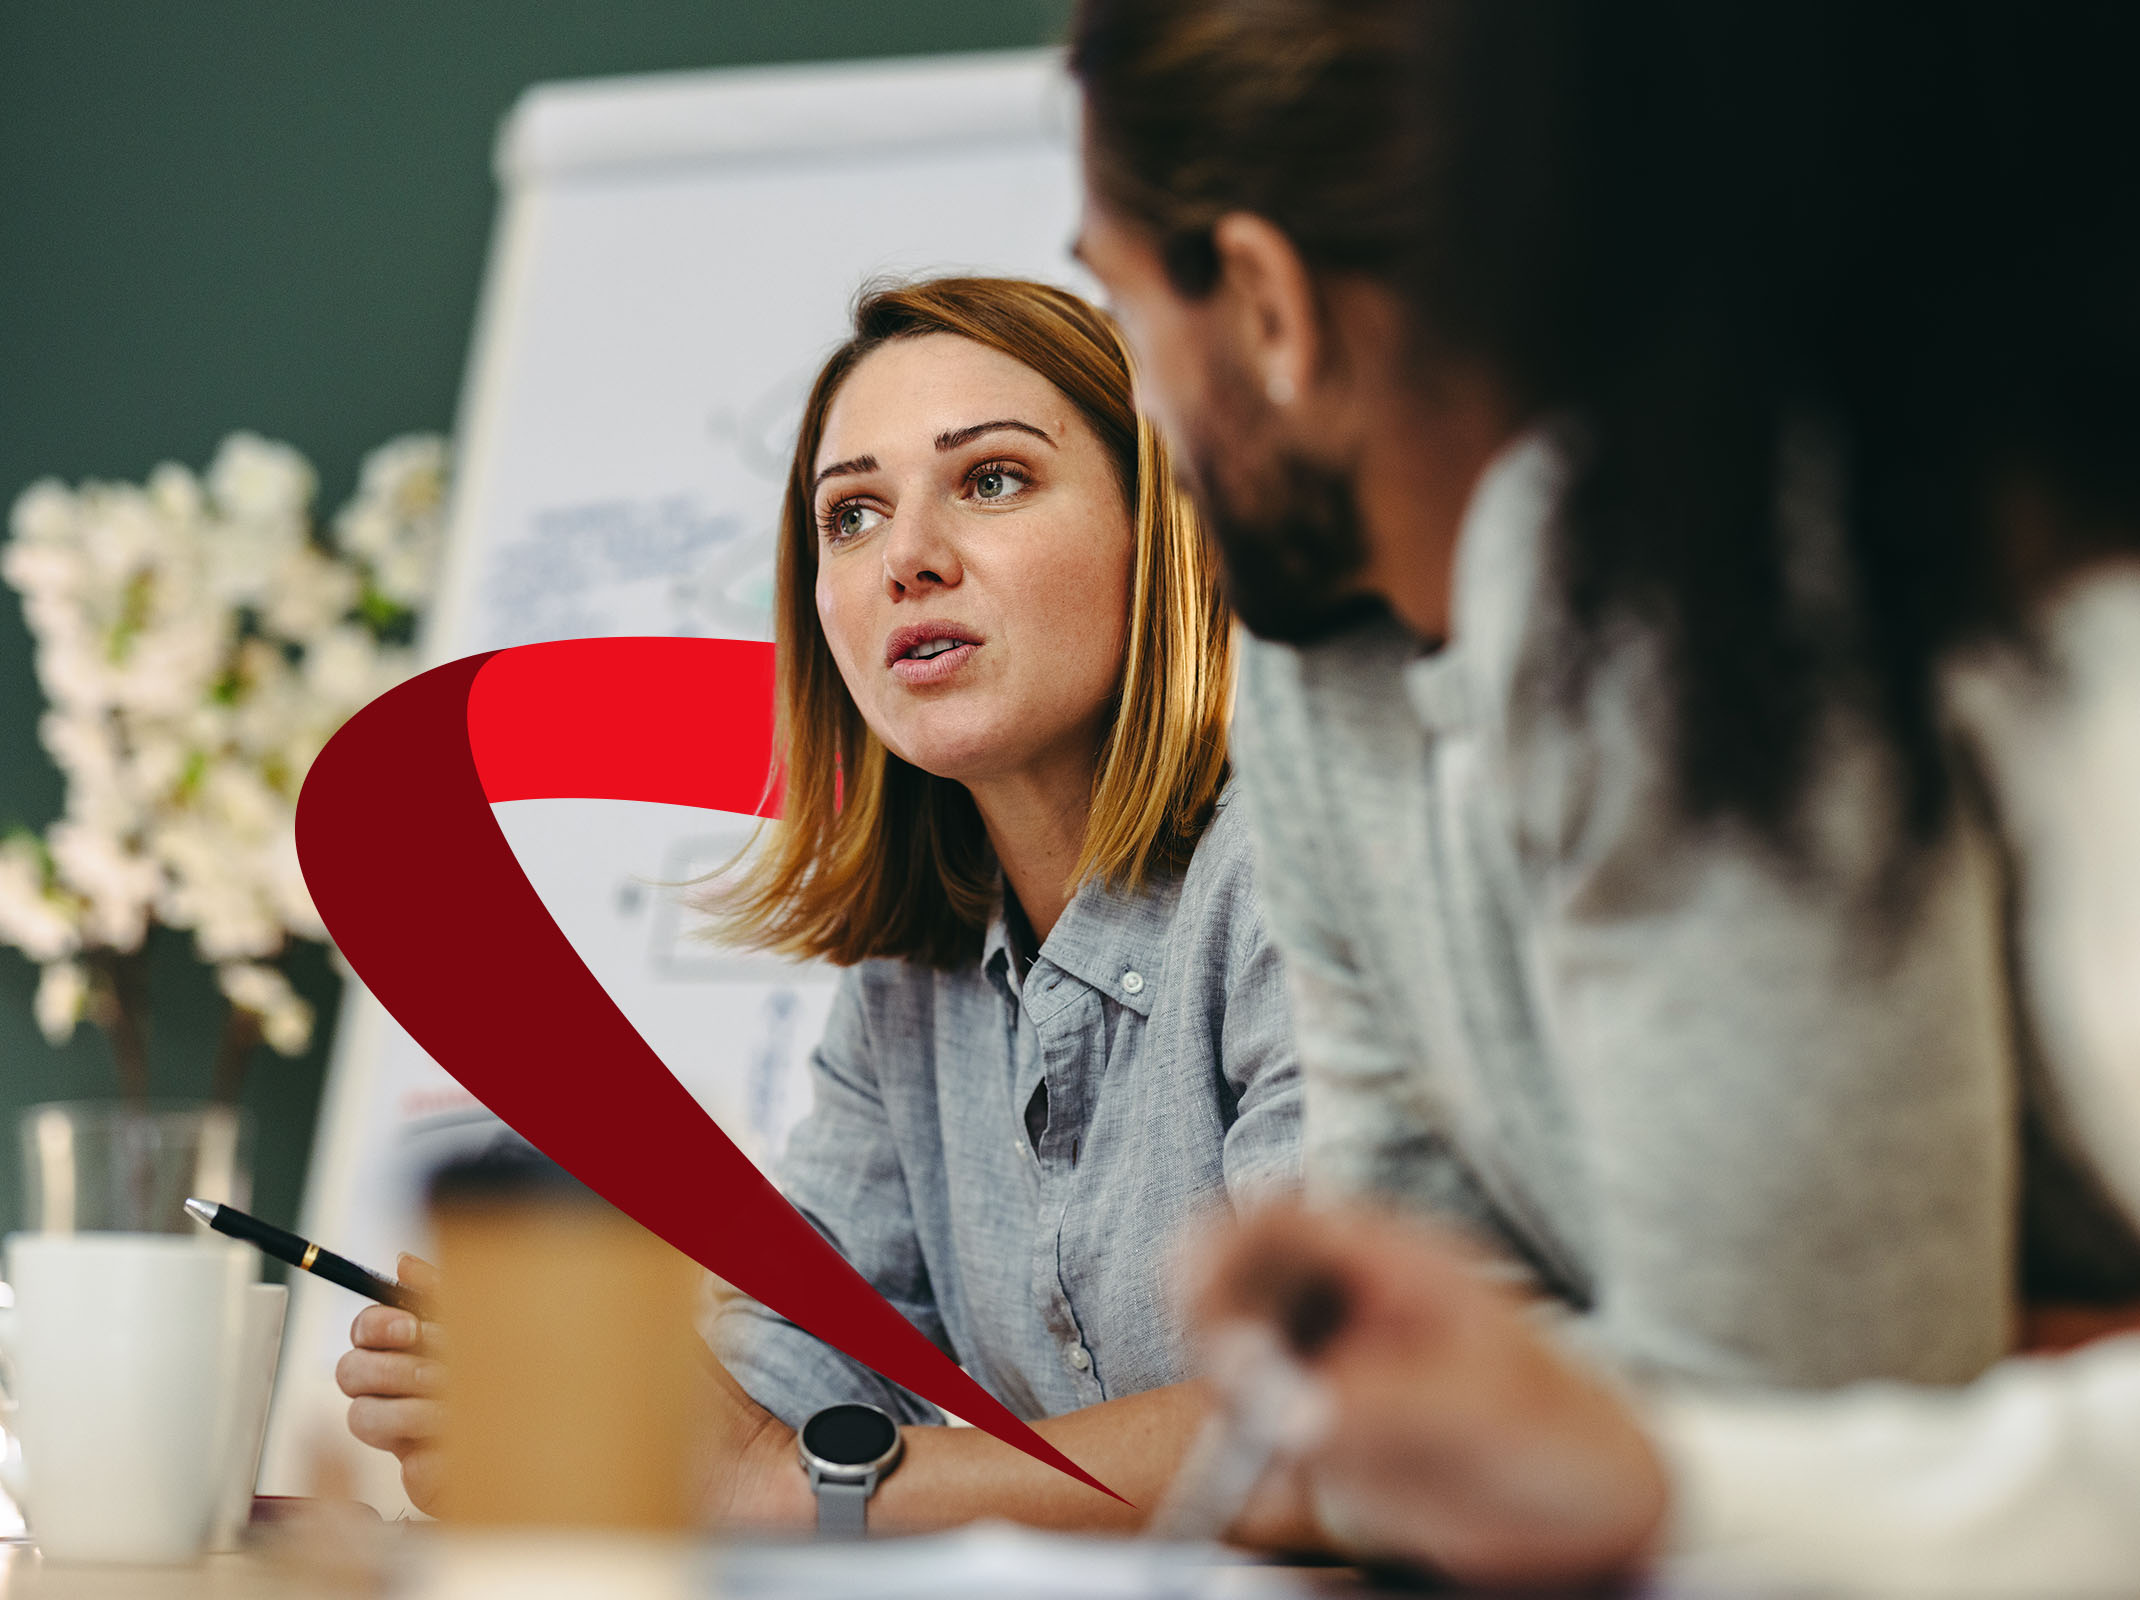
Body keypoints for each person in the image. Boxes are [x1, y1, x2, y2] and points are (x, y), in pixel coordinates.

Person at [1070, 0, 2140, 1587]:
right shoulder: (1311, 667)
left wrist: (1650, 1435)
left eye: (1122, 310)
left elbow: (1822, 1384)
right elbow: (1392, 1394)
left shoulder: (1708, 587)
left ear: (1272, 311)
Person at [337, 276, 1307, 1534]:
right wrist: (581, 1435)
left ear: (1163, 531)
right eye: (850, 515)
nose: (907, 558)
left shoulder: (1305, 881)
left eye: (993, 480)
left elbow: (1346, 1421)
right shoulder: (917, 977)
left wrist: (780, 1481)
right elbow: (805, 1366)